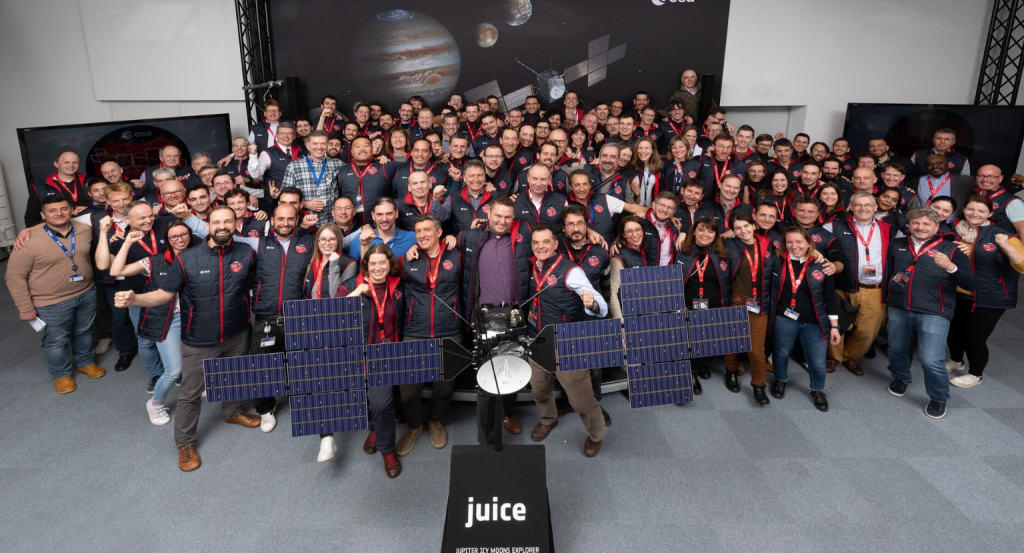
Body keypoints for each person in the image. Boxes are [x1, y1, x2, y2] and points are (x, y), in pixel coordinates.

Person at [114, 205, 264, 471]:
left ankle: (232, 412)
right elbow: (163, 294)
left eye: (227, 221)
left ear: (235, 224)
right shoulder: (187, 258)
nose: (222, 226)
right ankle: (185, 442)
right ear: (208, 225)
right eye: (216, 222)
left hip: (238, 330)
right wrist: (135, 299)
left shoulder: (246, 252)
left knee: (235, 375)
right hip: (200, 337)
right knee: (190, 393)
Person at [6, 196, 105, 393]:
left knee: (84, 331)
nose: (59, 213)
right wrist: (25, 308)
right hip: (51, 301)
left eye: (63, 209)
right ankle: (61, 374)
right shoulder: (28, 240)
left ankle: (85, 362)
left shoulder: (84, 230)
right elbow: (14, 277)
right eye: (52, 211)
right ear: (42, 215)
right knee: (57, 339)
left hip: (86, 291)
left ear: (72, 210)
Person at [525, 225, 608, 458]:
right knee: (539, 389)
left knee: (581, 401)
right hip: (538, 340)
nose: (540, 246)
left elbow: (601, 306)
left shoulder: (572, 271)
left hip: (567, 343)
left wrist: (591, 303)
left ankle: (597, 434)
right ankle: (548, 419)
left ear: (555, 244)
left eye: (545, 242)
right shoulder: (535, 266)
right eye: (536, 242)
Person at [886, 207, 975, 419]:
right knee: (897, 349)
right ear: (909, 225)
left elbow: (971, 284)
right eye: (916, 223)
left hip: (935, 310)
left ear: (936, 227)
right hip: (899, 307)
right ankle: (901, 377)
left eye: (926, 223)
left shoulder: (952, 250)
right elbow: (889, 273)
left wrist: (951, 267)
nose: (920, 227)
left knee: (930, 359)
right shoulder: (897, 245)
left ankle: (938, 397)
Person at [456, 196, 533, 444]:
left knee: (513, 370)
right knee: (487, 380)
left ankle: (508, 414)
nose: (502, 221)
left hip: (514, 316)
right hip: (484, 318)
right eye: (498, 215)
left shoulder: (524, 237)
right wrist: (447, 238)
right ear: (488, 213)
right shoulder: (470, 237)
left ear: (514, 218)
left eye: (507, 217)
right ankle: (486, 437)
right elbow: (442, 244)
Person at [107, 220, 194, 425]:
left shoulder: (198, 256)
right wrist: (127, 243)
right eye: (174, 236)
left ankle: (196, 387)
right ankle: (155, 404)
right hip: (169, 318)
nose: (180, 240)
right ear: (167, 239)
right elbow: (115, 270)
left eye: (184, 235)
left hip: (195, 316)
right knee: (174, 370)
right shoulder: (154, 261)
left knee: (196, 358)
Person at [332, 244, 405, 478]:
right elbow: (329, 313)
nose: (378, 268)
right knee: (366, 398)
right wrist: (356, 293)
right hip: (357, 355)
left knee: (382, 404)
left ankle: (387, 450)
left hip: (386, 355)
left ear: (389, 264)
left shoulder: (398, 285)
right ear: (366, 265)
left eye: (382, 262)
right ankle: (374, 429)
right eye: (373, 263)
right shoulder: (352, 284)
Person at [394, 214, 462, 458]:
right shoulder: (408, 258)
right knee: (408, 392)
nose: (422, 235)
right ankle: (414, 426)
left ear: (439, 232)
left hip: (449, 330)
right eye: (418, 231)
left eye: (427, 230)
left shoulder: (457, 255)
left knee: (444, 387)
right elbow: (379, 270)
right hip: (415, 330)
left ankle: (435, 420)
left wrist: (455, 237)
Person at [946, 195, 1024, 388]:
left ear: (990, 213)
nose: (975, 214)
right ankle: (956, 360)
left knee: (975, 338)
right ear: (964, 210)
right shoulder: (955, 229)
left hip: (990, 296)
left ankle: (975, 374)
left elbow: (1022, 266)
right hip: (958, 291)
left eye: (981, 211)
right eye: (971, 209)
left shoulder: (1002, 235)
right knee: (954, 331)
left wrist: (1006, 246)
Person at [768, 226, 841, 412]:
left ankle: (817, 390)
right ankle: (781, 379)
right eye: (790, 242)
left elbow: (830, 297)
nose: (795, 246)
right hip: (784, 318)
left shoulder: (823, 265)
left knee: (817, 361)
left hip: (814, 322)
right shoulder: (777, 261)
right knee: (781, 353)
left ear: (809, 243)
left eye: (799, 241)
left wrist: (834, 326)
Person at [823, 192, 894, 375]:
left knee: (867, 331)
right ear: (851, 207)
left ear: (875, 207)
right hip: (842, 285)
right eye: (858, 205)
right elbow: (816, 243)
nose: (863, 208)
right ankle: (833, 357)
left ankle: (849, 357)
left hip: (874, 288)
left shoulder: (890, 229)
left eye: (867, 205)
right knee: (836, 325)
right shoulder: (833, 226)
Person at [724, 212, 777, 404]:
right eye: (737, 228)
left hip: (759, 303)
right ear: (733, 231)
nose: (743, 231)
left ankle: (758, 385)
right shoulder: (729, 246)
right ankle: (730, 372)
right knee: (732, 342)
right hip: (736, 300)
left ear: (754, 225)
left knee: (756, 350)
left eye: (746, 226)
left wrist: (816, 253)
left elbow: (797, 249)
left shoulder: (769, 244)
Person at [675, 217, 732, 393]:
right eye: (701, 229)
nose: (705, 234)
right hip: (687, 306)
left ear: (716, 234)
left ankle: (697, 368)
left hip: (711, 307)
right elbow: (674, 280)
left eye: (710, 230)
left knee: (703, 342)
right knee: (687, 342)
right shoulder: (682, 251)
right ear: (694, 232)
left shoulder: (722, 254)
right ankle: (690, 374)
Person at [282, 130, 345, 227]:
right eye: (315, 143)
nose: (319, 147)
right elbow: (284, 198)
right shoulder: (294, 166)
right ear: (307, 145)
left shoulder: (338, 164)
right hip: (305, 223)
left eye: (323, 143)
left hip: (331, 222)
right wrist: (305, 204)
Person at [25, 150, 92, 227]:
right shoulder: (41, 187)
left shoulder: (90, 181)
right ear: (56, 164)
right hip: (57, 230)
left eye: (75, 162)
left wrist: (89, 209)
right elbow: (31, 217)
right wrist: (35, 232)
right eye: (66, 162)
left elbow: (102, 205)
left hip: (88, 228)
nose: (71, 165)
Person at [608, 215, 654, 319]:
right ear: (623, 234)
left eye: (638, 229)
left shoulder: (642, 251)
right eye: (629, 231)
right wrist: (620, 322)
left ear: (643, 231)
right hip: (628, 315)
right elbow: (612, 293)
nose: (635, 234)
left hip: (643, 311)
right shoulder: (618, 257)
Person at [347, 197, 417, 260]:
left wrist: (417, 247)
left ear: (396, 213)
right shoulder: (360, 239)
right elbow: (351, 267)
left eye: (389, 214)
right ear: (373, 215)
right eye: (379, 214)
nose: (384, 219)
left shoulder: (412, 238)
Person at [972, 164, 1024, 235]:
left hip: (1002, 241)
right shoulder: (973, 195)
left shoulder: (1013, 201)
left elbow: (1022, 230)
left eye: (991, 176)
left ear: (1000, 178)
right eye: (981, 176)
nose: (985, 179)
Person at [626, 138, 663, 208]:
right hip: (634, 208)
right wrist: (636, 194)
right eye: (640, 148)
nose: (643, 151)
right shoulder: (630, 167)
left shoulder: (658, 168)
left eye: (647, 148)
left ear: (652, 150)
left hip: (651, 209)